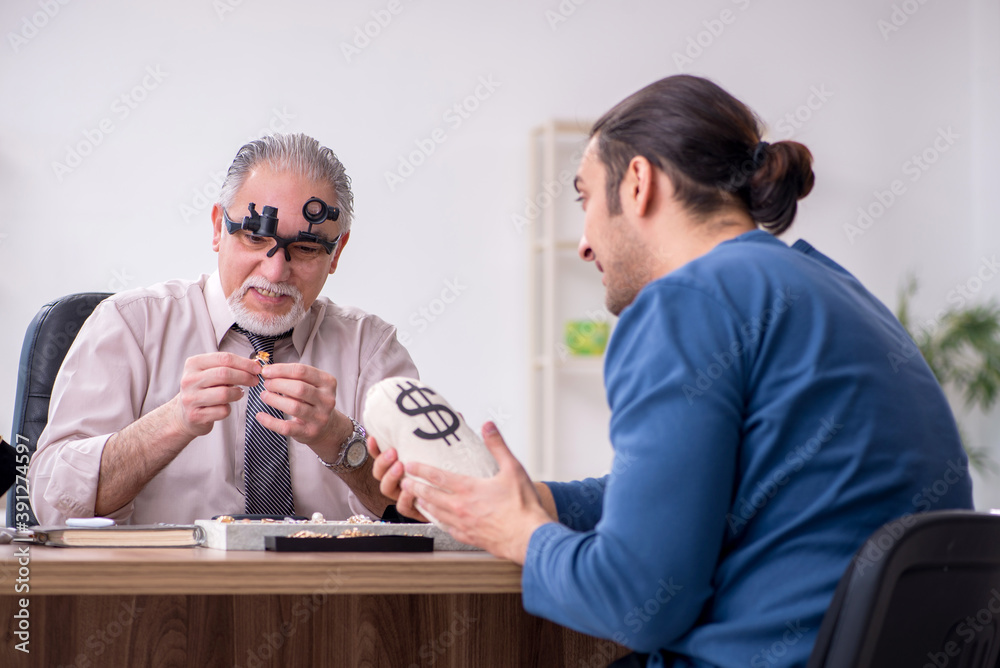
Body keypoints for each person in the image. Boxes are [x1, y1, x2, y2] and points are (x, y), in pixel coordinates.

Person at [369, 75, 974, 667]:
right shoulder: (837, 291)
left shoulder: (688, 302)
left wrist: (519, 536)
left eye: (584, 198)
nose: (583, 243)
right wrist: (533, 502)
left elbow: (636, 604)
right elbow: (691, 492)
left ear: (638, 183)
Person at [29, 133, 415, 525]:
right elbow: (50, 506)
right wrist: (174, 420)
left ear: (337, 253)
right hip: (163, 583)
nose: (275, 271)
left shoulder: (371, 350)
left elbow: (430, 513)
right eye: (255, 236)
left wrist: (340, 441)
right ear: (217, 228)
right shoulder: (129, 326)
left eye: (307, 248)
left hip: (328, 586)